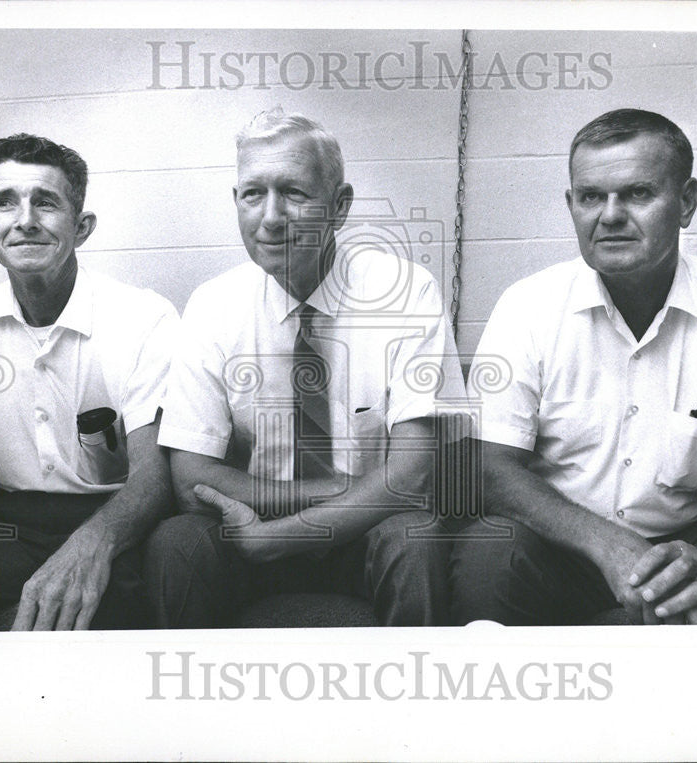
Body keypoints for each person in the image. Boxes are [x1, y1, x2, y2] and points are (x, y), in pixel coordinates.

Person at [451, 109, 697, 626]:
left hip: (692, 543)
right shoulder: (528, 306)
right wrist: (609, 545)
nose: (610, 215)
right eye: (591, 196)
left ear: (686, 203)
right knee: (489, 551)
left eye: (638, 194)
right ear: (571, 205)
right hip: (558, 542)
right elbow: (490, 467)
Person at [146, 109, 467, 627]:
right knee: (177, 542)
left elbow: (414, 477)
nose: (271, 217)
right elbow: (191, 480)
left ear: (339, 207)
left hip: (365, 533)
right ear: (237, 203)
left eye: (294, 193)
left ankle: (412, 701)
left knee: (416, 537)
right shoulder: (213, 305)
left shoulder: (405, 292)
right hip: (256, 529)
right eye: (253, 194)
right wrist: (342, 491)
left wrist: (284, 536)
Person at [0, 134, 178, 631]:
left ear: (82, 226)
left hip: (115, 523)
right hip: (6, 527)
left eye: (45, 202)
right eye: (6, 202)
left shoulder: (146, 319)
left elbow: (152, 483)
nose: (25, 220)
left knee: (90, 633)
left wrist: (91, 548)